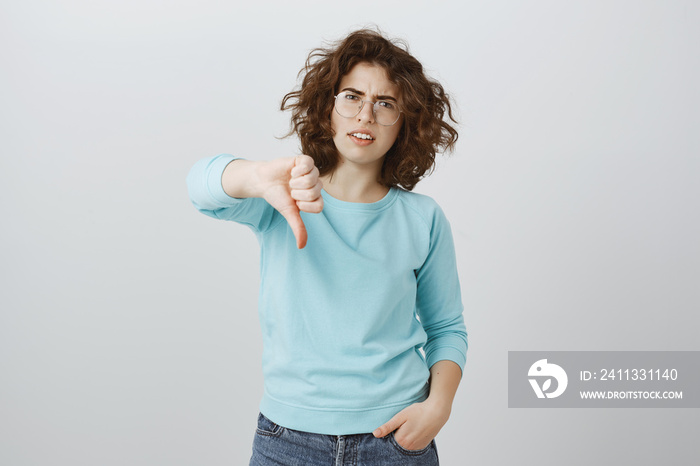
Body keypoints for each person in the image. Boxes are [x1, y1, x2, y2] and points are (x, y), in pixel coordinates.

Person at [187, 28, 468, 466]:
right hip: (287, 442)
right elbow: (201, 187)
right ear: (328, 108)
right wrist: (257, 177)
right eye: (352, 97)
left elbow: (447, 328)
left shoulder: (423, 218)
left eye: (386, 103)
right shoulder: (282, 196)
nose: (366, 116)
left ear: (405, 122)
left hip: (396, 441)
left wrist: (439, 407)